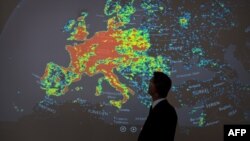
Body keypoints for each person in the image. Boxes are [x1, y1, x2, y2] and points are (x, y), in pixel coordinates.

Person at [138, 71, 178, 141]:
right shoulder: (157, 107)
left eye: (151, 82)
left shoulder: (166, 111)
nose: (149, 84)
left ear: (157, 87)